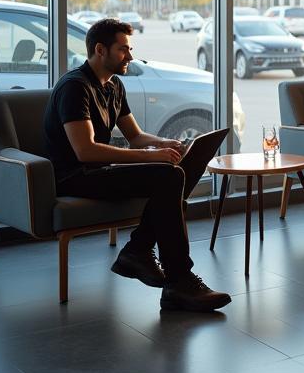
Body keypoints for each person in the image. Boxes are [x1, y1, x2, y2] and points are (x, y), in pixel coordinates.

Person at [43, 17, 231, 312]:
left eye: (130, 49)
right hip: (73, 176)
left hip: (98, 173)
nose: (130, 56)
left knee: (178, 174)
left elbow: (135, 136)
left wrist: (165, 144)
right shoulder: (74, 87)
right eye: (123, 50)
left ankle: (143, 254)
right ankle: (170, 276)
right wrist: (151, 156)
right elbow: (85, 151)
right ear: (100, 50)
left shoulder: (114, 85)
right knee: (168, 180)